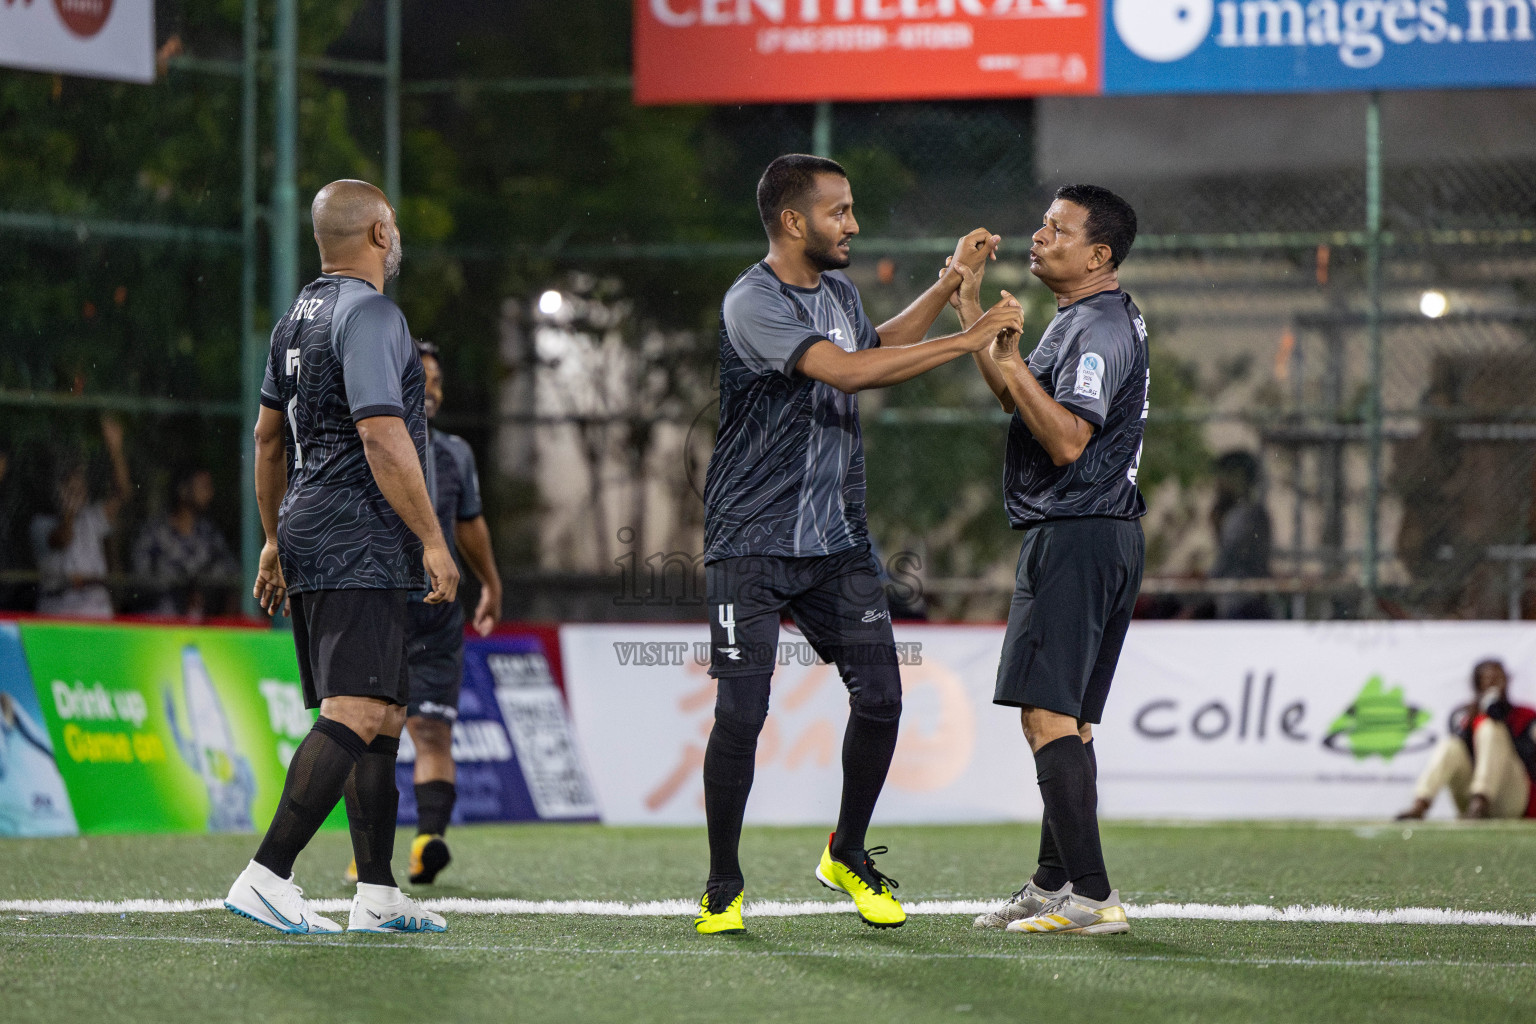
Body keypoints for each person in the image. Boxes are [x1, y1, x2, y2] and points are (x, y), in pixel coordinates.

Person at [692, 153, 1023, 935]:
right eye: (841, 212)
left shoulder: (834, 290)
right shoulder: (752, 300)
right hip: (751, 543)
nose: (855, 224)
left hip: (836, 545)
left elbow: (871, 343)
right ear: (794, 221)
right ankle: (722, 886)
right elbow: (845, 372)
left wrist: (947, 287)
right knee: (742, 714)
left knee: (881, 698)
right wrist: (967, 338)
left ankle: (845, 852)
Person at [223, 178, 459, 936]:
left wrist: (271, 536)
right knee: (355, 709)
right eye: (394, 225)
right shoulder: (373, 313)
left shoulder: (294, 319)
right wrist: (431, 538)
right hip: (359, 533)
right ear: (380, 233)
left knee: (384, 713)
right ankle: (267, 874)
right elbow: (383, 434)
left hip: (315, 527)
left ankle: (378, 895)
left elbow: (266, 439)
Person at [955, 184, 1147, 936]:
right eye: (1041, 224)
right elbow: (1017, 396)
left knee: (1045, 717)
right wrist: (972, 310)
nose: (1039, 236)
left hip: (1077, 531)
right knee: (1067, 722)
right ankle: (1052, 882)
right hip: (1102, 534)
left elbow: (1066, 438)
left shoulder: (1096, 328)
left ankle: (1094, 899)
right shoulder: (1085, 319)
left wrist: (1004, 345)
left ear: (1098, 254)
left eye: (1057, 229)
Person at [343, 339, 503, 887]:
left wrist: (491, 581)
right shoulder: (362, 441)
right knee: (366, 732)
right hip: (377, 605)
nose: (431, 391)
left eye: (437, 381)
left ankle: (426, 841)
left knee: (430, 732)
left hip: (436, 611)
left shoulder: (455, 453)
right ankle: (372, 853)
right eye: (421, 379)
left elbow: (469, 523)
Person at [1397, 659, 1536, 821]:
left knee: (1490, 728)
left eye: (1498, 678)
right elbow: (1462, 756)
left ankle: (1480, 800)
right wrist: (1473, 722)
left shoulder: (1525, 716)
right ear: (1477, 684)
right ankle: (1420, 804)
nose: (1493, 684)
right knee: (1451, 745)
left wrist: (1502, 722)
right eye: (1487, 679)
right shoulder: (1468, 717)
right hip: (1470, 799)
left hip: (1512, 797)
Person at [29, 416, 133, 618]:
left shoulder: (92, 517)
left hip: (96, 610)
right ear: (57, 490)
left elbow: (123, 494)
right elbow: (63, 539)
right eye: (70, 487)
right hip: (58, 612)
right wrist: (69, 508)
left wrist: (115, 449)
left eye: (81, 486)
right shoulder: (39, 524)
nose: (78, 491)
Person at [132, 468, 239, 617]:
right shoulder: (155, 532)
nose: (209, 494)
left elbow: (230, 576)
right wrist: (182, 590)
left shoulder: (210, 533)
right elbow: (142, 579)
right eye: (203, 487)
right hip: (159, 624)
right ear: (183, 491)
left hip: (205, 627)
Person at [1209, 450, 1272, 619]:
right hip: (1235, 598)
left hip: (1243, 600)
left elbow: (1228, 558)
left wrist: (1204, 588)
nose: (1219, 481)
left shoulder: (1245, 514)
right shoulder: (1240, 512)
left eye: (1226, 475)